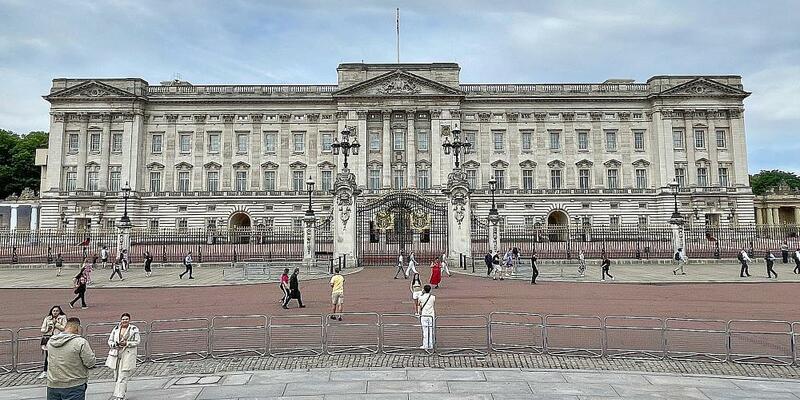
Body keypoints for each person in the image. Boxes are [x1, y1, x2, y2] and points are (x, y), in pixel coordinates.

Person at [46, 317, 95, 400]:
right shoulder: (80, 342)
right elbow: (90, 363)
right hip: (74, 385)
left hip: (53, 384)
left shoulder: (51, 341)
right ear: (77, 328)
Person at [106, 313, 140, 400]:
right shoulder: (116, 329)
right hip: (116, 355)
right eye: (123, 319)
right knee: (117, 376)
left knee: (123, 376)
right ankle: (122, 393)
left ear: (129, 320)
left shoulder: (134, 329)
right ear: (121, 320)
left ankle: (119, 396)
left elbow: (137, 341)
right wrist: (114, 344)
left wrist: (127, 343)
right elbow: (110, 340)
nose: (125, 321)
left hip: (127, 355)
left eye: (126, 319)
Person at [38, 306, 67, 379]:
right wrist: (48, 328)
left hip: (58, 338)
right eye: (54, 311)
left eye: (57, 311)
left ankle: (59, 371)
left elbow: (64, 328)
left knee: (59, 355)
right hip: (49, 339)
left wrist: (56, 324)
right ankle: (45, 371)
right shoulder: (47, 318)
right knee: (48, 355)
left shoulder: (63, 318)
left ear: (59, 311)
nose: (55, 312)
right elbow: (42, 329)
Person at [417, 284, 436, 351]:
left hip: (424, 315)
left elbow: (419, 305)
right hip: (431, 315)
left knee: (425, 330)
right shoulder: (433, 297)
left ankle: (425, 345)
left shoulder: (421, 297)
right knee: (431, 330)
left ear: (424, 290)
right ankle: (431, 344)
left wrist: (422, 293)